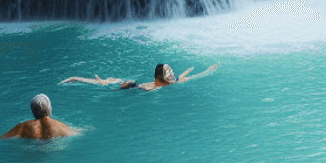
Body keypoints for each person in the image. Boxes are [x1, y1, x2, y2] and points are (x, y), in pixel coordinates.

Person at [61, 62, 219, 90]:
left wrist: (208, 70)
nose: (171, 75)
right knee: (104, 83)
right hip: (131, 86)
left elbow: (193, 77)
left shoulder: (173, 82)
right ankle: (75, 78)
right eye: (167, 74)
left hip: (133, 85)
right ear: (158, 79)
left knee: (108, 81)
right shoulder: (150, 88)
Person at [1, 94, 78, 139]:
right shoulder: (61, 126)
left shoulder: (22, 126)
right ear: (49, 108)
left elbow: (2, 138)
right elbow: (77, 135)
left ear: (32, 110)